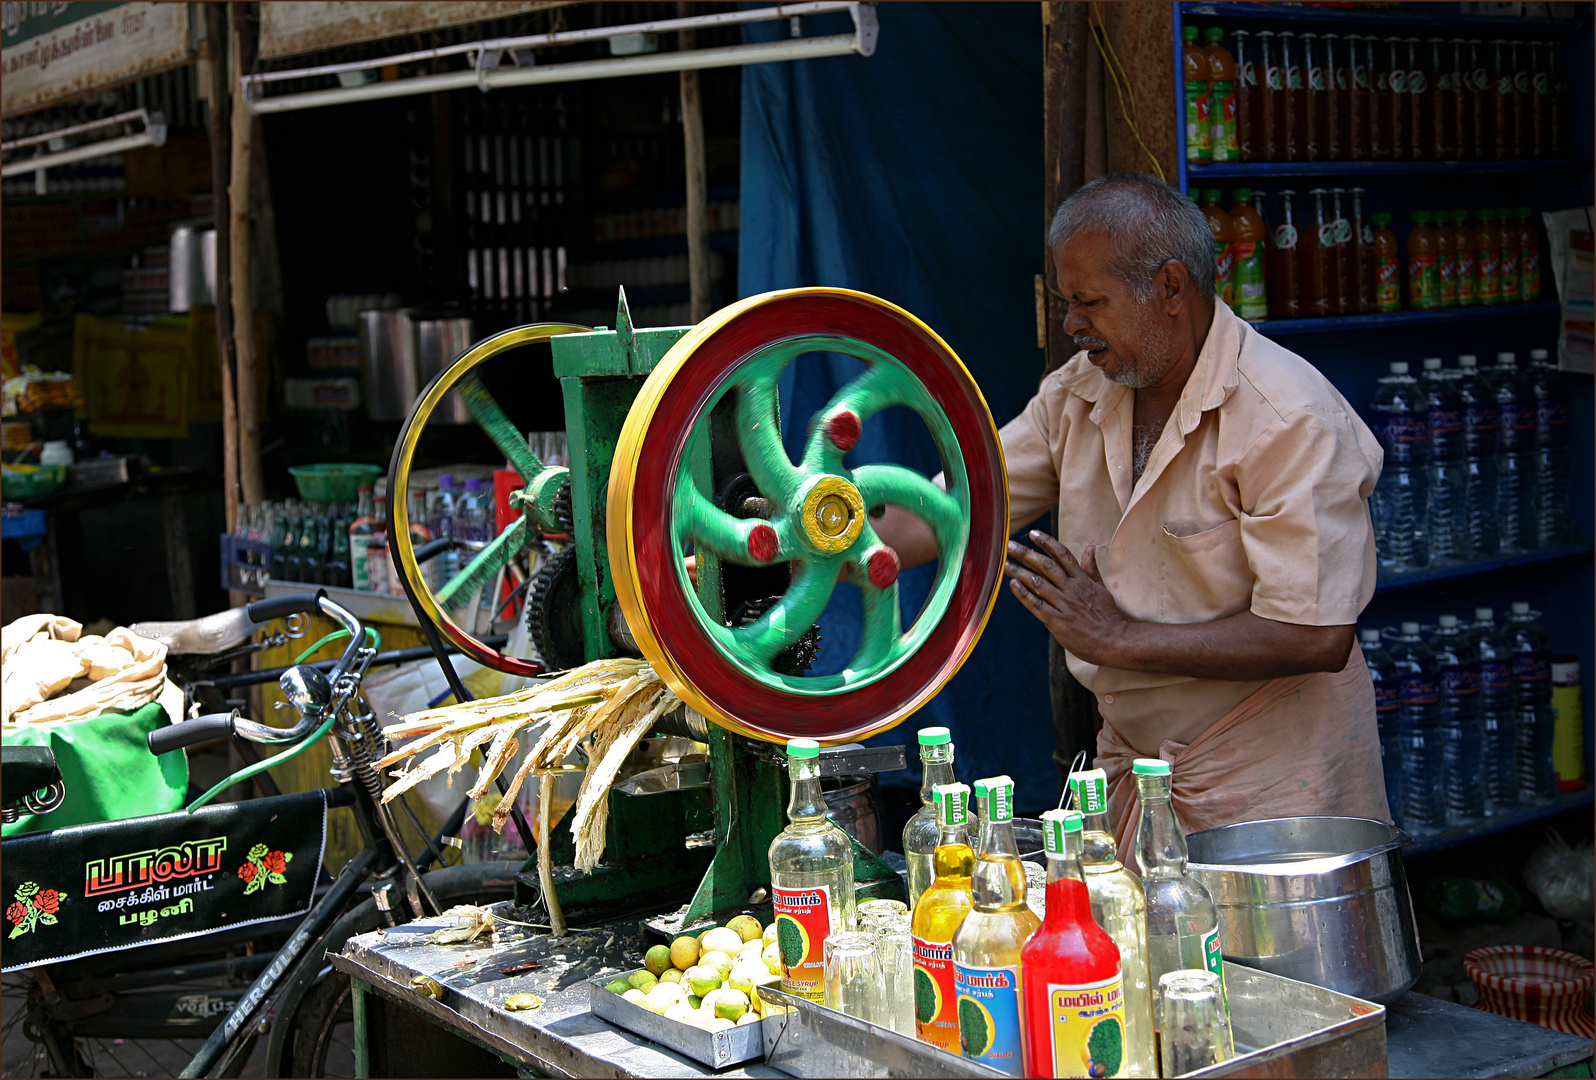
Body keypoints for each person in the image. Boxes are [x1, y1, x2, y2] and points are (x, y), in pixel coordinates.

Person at [875, 173, 1390, 855]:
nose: (1070, 325)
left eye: (1090, 302)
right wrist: (806, 547)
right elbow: (949, 508)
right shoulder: (1081, 395)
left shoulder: (1285, 418)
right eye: (1066, 301)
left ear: (1170, 289)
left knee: (1265, 966)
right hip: (1139, 776)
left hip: (1275, 785)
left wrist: (1117, 639)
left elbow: (1315, 634)